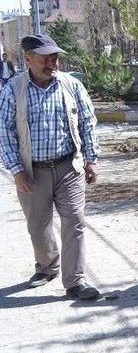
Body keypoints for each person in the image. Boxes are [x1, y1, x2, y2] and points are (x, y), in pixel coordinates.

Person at [0, 34, 100, 300]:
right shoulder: (13, 89)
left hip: (69, 167)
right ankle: (47, 266)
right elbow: (5, 131)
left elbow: (87, 123)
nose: (52, 62)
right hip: (32, 172)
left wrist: (91, 160)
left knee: (75, 221)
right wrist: (16, 170)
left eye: (54, 57)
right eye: (45, 58)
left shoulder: (71, 85)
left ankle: (75, 281)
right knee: (38, 224)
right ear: (28, 59)